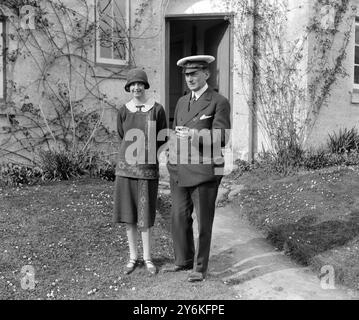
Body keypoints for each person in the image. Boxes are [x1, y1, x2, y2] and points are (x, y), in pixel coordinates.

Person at [164, 55, 231, 282]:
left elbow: (222, 137)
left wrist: (194, 135)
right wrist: (170, 155)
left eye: (194, 73)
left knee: (203, 221)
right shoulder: (183, 101)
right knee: (179, 216)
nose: (189, 78)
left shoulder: (218, 102)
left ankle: (199, 268)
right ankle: (183, 260)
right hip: (180, 168)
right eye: (186, 75)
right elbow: (174, 131)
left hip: (204, 171)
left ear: (207, 74)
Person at [113, 68, 167, 276]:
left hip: (147, 172)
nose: (136, 88)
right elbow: (122, 136)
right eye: (132, 85)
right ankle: (132, 257)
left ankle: (148, 258)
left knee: (145, 217)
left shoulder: (157, 109)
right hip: (125, 172)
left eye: (140, 84)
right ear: (129, 87)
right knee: (129, 217)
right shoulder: (123, 110)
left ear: (145, 86)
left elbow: (161, 136)